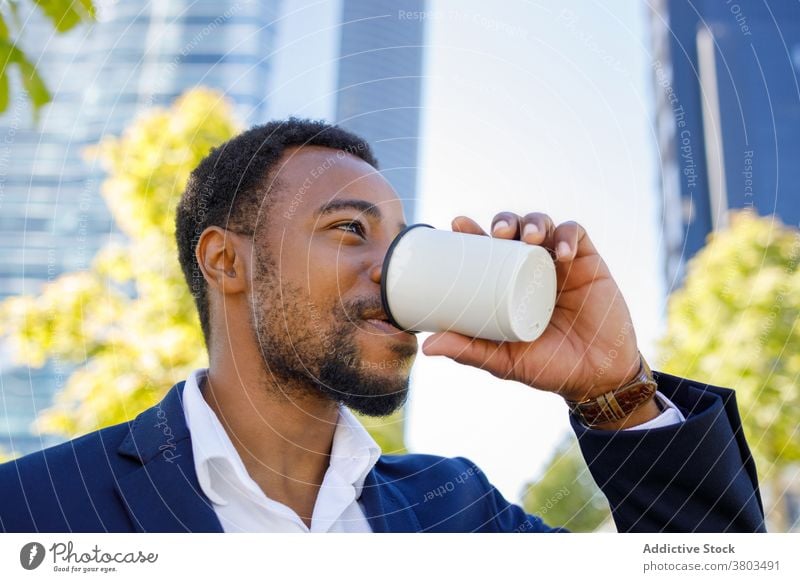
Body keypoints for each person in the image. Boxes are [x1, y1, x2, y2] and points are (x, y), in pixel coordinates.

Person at [0, 119, 765, 533]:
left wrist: (618, 392)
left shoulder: (457, 511)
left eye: (404, 243)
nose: (392, 273)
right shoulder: (34, 511)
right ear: (226, 263)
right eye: (347, 230)